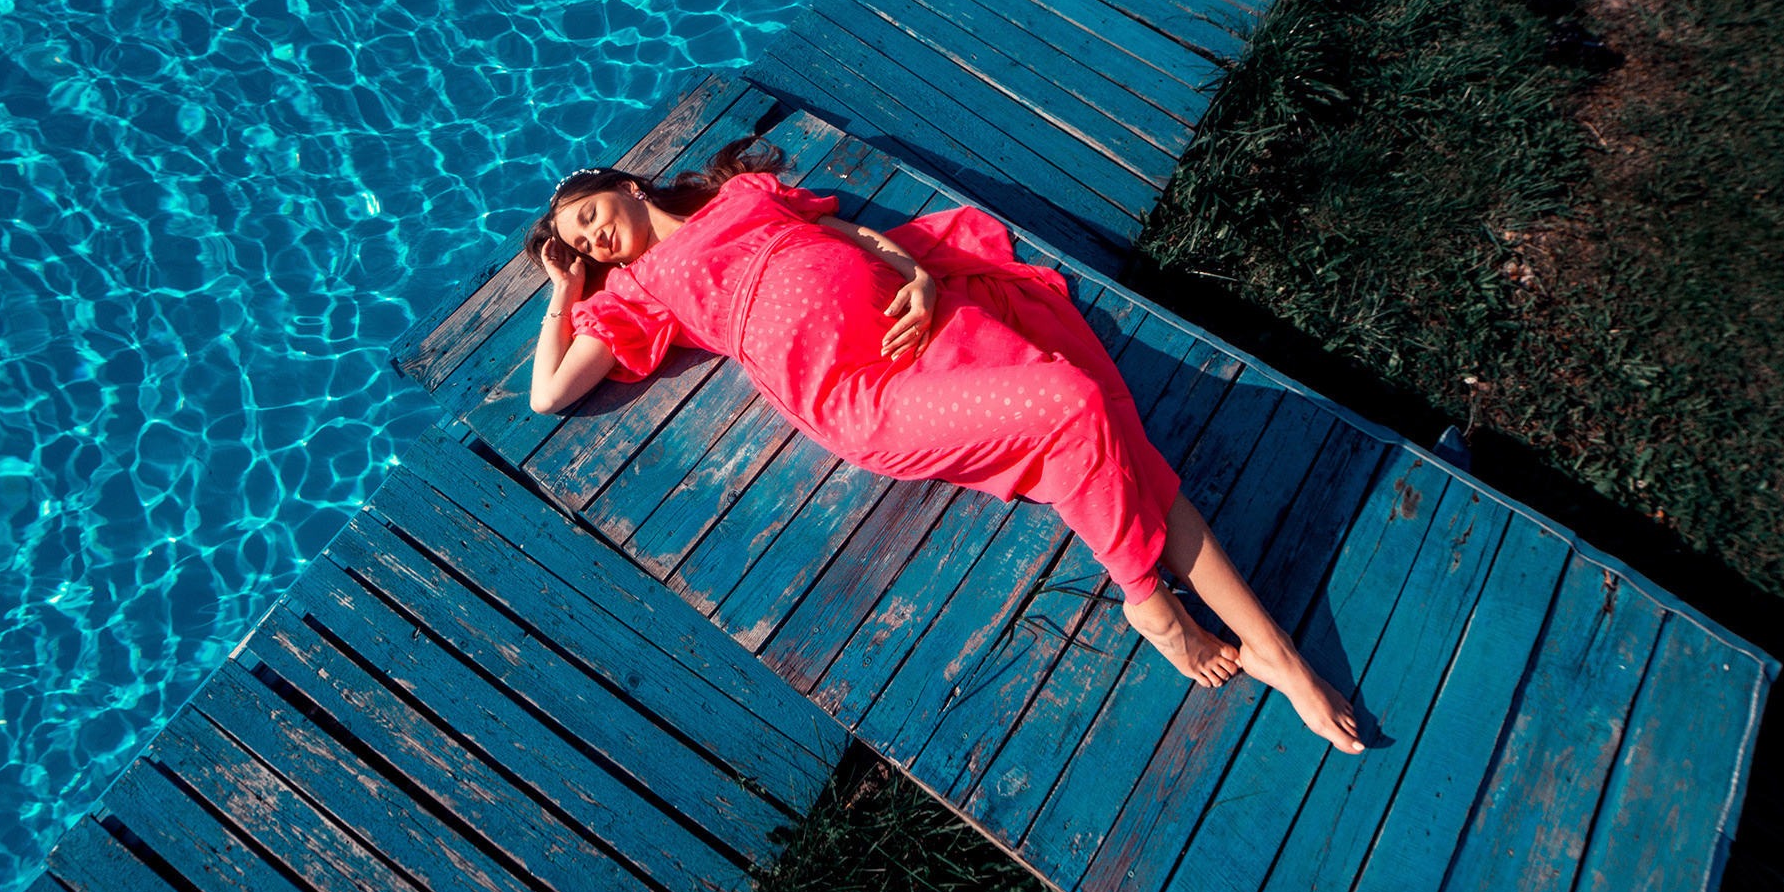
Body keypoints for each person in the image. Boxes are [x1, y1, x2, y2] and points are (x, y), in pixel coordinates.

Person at [524, 138, 1364, 755]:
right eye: (580, 239)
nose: (593, 239)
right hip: (863, 392)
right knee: (1073, 402)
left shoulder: (743, 197)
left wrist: (919, 275)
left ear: (625, 185)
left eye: (590, 214)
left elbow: (853, 239)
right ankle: (1147, 600)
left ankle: (1284, 658)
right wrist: (564, 292)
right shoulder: (635, 290)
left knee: (1115, 453)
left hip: (922, 321)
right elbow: (550, 393)